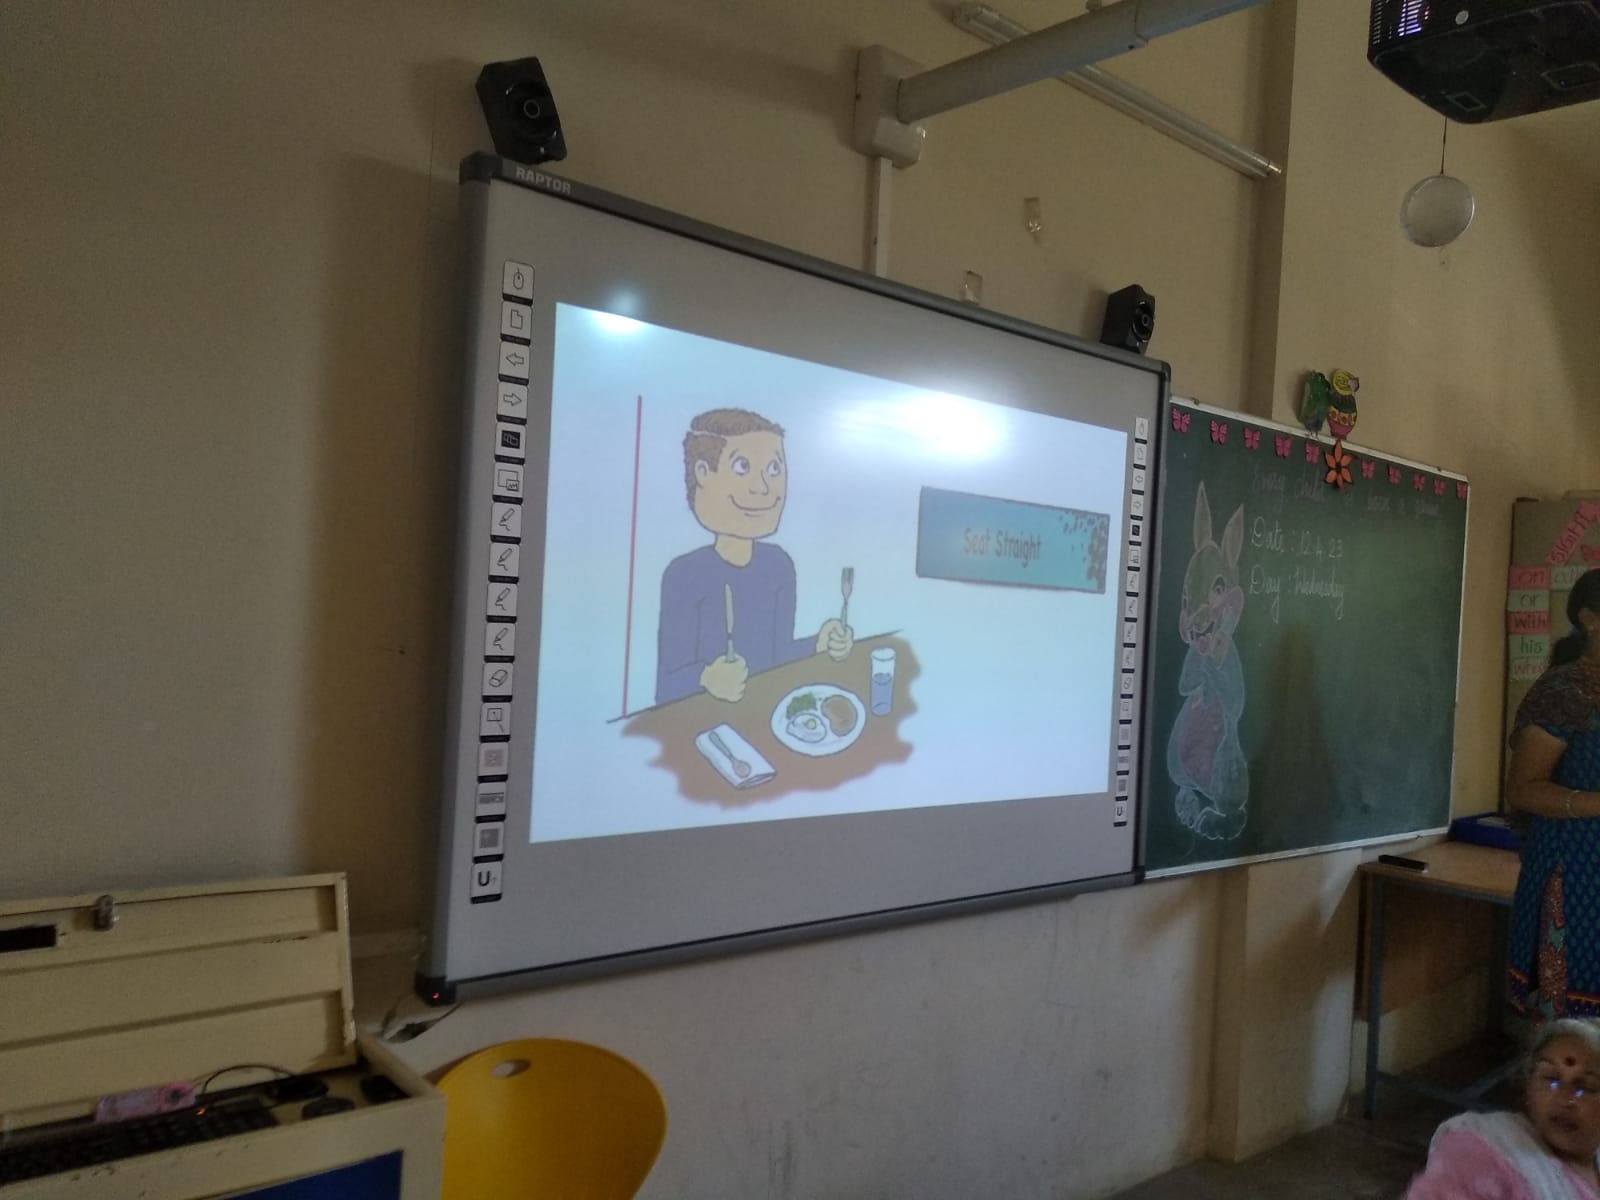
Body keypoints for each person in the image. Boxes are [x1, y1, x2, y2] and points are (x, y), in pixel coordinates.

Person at [655, 408, 853, 705]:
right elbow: (666, 688)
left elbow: (776, 658)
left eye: (774, 469)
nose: (763, 488)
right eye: (742, 467)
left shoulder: (778, 566)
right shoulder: (684, 575)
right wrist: (706, 678)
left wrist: (818, 645)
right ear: (703, 473)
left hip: (765, 715)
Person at [1507, 568, 1600, 1020]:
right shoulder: (1564, 690)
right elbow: (1523, 789)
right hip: (1578, 874)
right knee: (1572, 1031)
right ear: (1590, 618)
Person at [1405, 1018, 1600, 1199]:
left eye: (1587, 1087)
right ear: (1528, 1085)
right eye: (1551, 1079)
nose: (1563, 1099)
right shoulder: (1483, 1152)